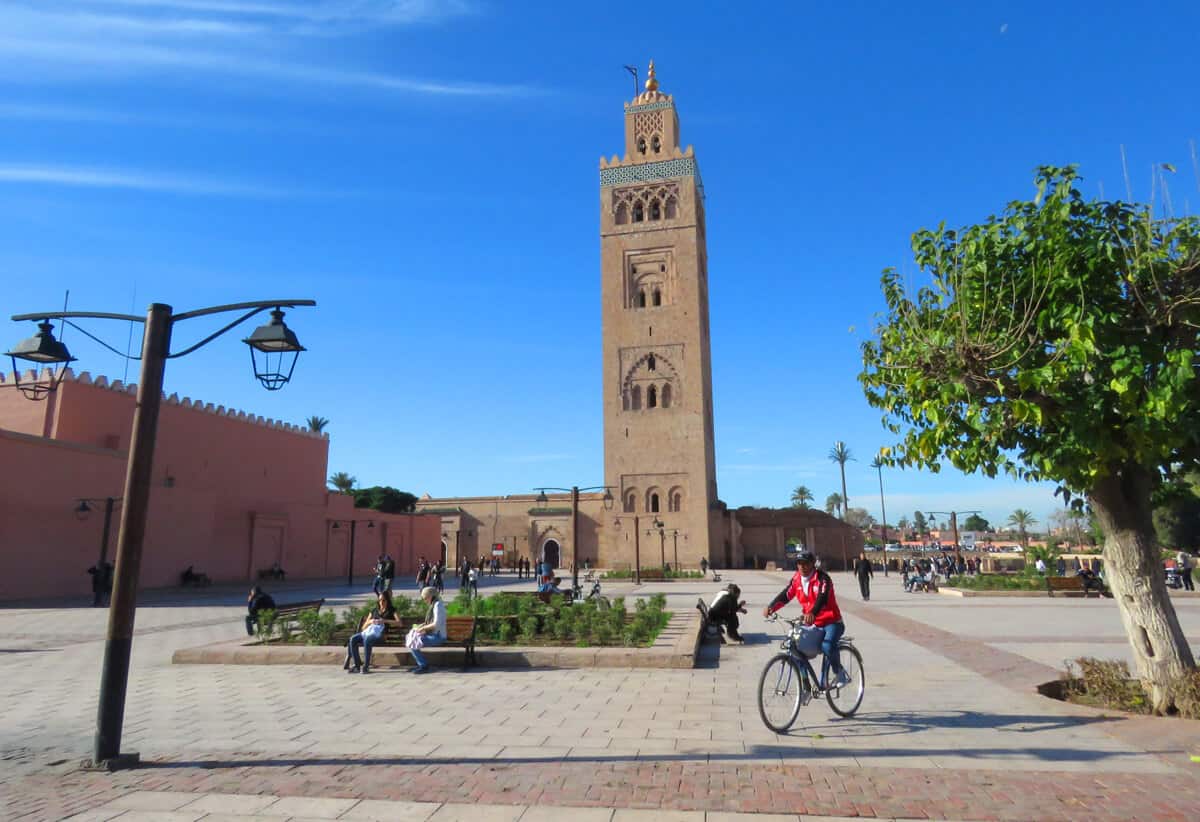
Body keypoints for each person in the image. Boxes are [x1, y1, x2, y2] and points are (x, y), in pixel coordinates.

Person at [763, 550, 850, 689]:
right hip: (812, 623)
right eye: (799, 563)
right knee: (796, 648)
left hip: (831, 622)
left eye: (805, 563)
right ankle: (806, 686)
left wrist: (813, 613)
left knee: (827, 645)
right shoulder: (797, 579)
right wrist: (771, 607)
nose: (802, 567)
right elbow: (786, 595)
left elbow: (822, 599)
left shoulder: (822, 578)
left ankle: (839, 673)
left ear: (812, 564)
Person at [344, 590, 397, 674]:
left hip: (380, 636)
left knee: (367, 639)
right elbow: (364, 626)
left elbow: (399, 622)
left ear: (387, 600)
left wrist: (385, 621)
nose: (381, 602)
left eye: (383, 600)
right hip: (369, 633)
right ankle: (357, 666)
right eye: (380, 600)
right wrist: (371, 621)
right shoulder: (374, 611)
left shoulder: (391, 610)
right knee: (353, 639)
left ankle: (366, 666)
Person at [407, 586, 447, 674]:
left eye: (425, 598)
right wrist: (419, 627)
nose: (425, 601)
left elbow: (436, 623)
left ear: (430, 596)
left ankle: (423, 665)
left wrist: (422, 628)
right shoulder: (434, 605)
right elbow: (429, 622)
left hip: (438, 636)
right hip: (434, 634)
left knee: (412, 642)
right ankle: (422, 664)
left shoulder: (437, 606)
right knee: (411, 639)